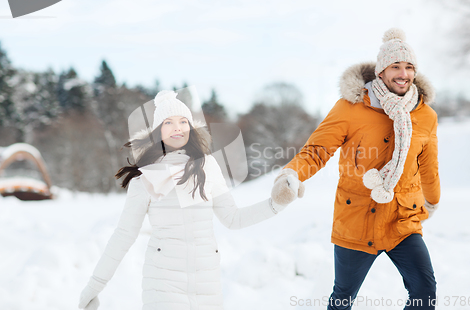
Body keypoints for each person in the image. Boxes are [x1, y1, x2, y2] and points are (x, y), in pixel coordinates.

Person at [78, 90, 304, 310]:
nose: (177, 127)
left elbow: (233, 218)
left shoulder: (208, 167)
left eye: (183, 121)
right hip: (163, 286)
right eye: (168, 122)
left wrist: (277, 203)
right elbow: (123, 235)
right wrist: (94, 287)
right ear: (157, 131)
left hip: (208, 286)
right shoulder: (145, 179)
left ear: (191, 128)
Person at [271, 28, 440, 309]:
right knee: (342, 298)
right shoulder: (350, 107)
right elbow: (317, 151)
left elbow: (429, 166)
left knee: (425, 291)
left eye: (409, 67)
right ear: (381, 71)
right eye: (395, 66)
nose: (403, 73)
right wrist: (291, 174)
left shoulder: (425, 114)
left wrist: (432, 200)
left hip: (403, 220)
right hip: (357, 220)